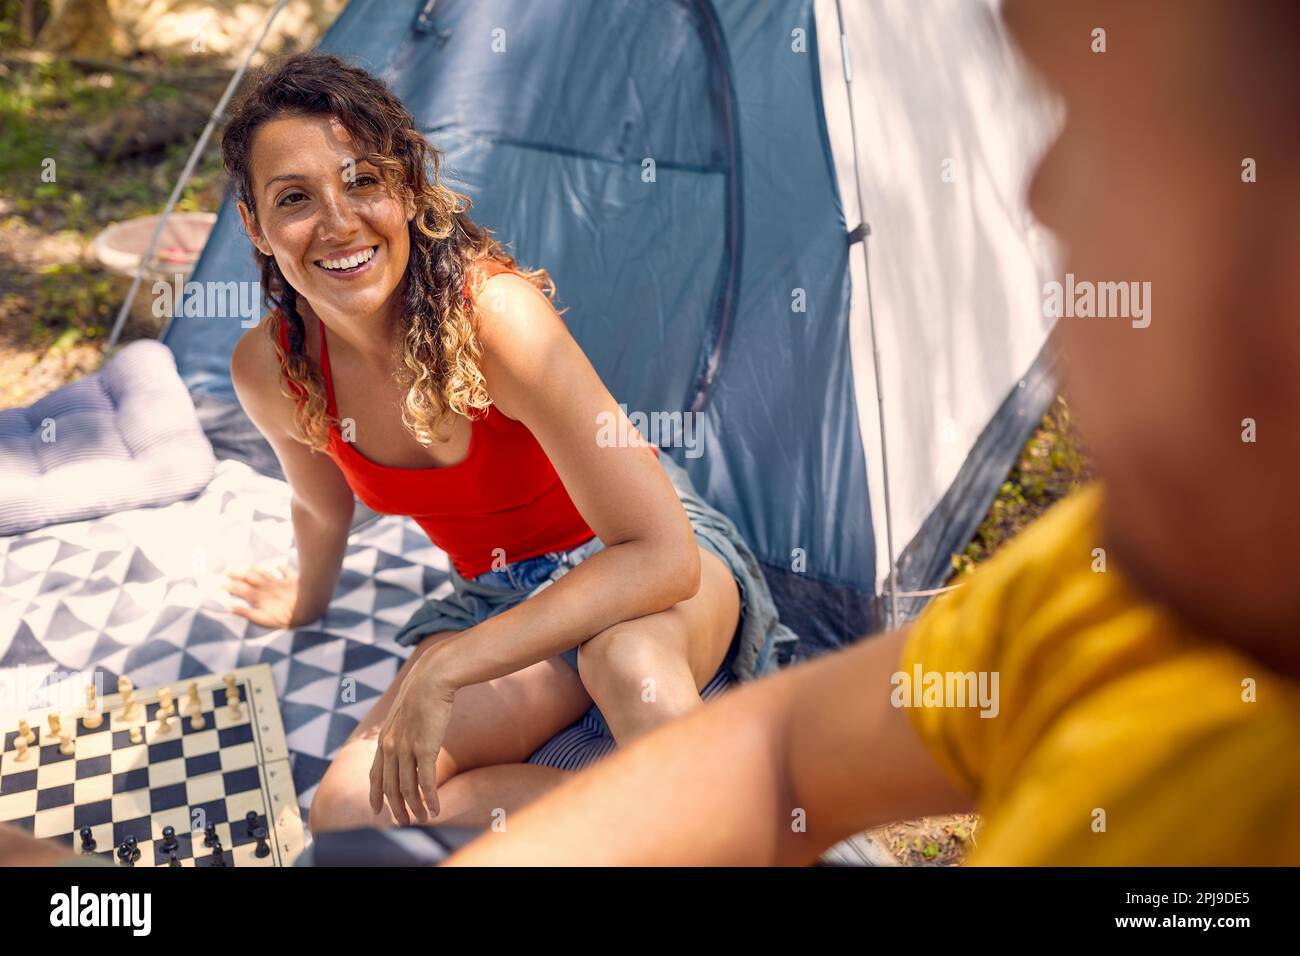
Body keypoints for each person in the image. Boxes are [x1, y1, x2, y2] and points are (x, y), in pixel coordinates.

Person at [442, 0, 1300, 866]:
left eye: (1130, 131)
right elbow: (782, 758)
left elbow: (665, 569)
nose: (1044, 199)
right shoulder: (1107, 590)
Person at [219, 53, 794, 834]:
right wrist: (303, 600)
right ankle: (655, 820)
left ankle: (744, 840)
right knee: (352, 811)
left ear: (407, 188)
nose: (339, 221)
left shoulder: (495, 318)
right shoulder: (271, 368)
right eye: (295, 198)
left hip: (634, 564)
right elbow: (322, 512)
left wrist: (450, 663)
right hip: (503, 599)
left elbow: (662, 555)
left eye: (362, 181)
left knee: (628, 667)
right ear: (255, 225)